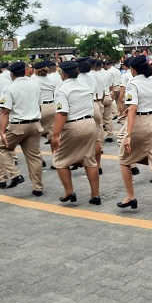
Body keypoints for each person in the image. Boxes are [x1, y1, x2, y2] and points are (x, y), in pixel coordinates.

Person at [117, 55, 152, 213]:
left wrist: (128, 134)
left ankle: (130, 196)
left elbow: (132, 108)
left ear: (133, 69)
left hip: (138, 124)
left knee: (124, 160)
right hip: (151, 122)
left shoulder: (133, 83)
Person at [51, 61, 101, 204]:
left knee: (60, 160)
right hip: (89, 123)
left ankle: (69, 191)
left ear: (64, 74)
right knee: (90, 160)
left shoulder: (62, 89)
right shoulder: (84, 86)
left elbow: (62, 113)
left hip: (73, 125)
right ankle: (95, 195)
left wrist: (55, 136)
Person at [0, 62, 44, 195]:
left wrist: (2, 131)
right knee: (34, 157)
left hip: (18, 125)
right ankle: (38, 187)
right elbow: (40, 106)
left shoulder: (9, 88)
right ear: (25, 71)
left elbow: (4, 112)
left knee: (0, 148)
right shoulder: (35, 85)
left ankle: (15, 174)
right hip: (35, 124)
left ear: (12, 74)